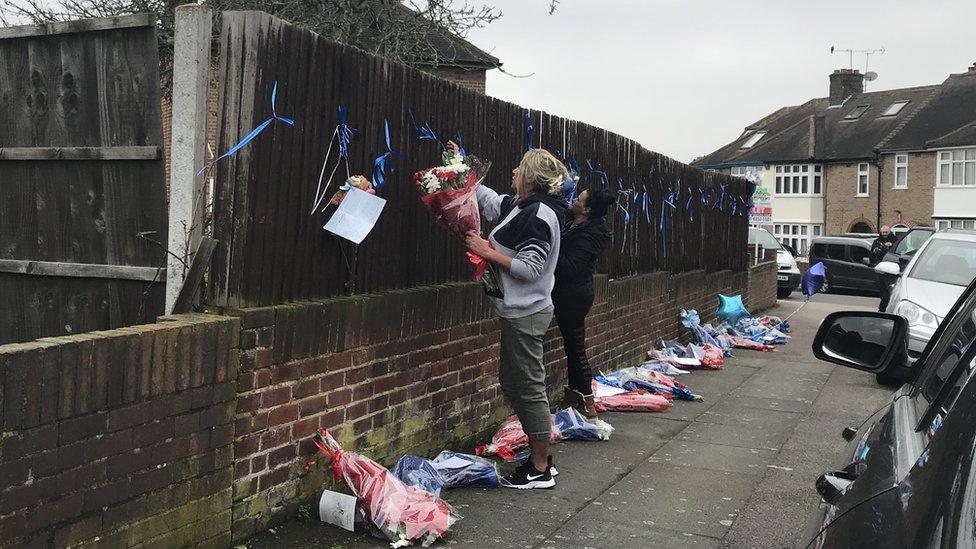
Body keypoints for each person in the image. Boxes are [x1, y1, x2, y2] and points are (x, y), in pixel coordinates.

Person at [463, 147, 569, 490]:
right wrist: (462, 169)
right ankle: (538, 457)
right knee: (512, 384)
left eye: (519, 169)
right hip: (517, 311)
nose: (513, 172)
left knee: (529, 388)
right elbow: (491, 201)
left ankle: (539, 467)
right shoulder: (523, 206)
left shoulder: (539, 215)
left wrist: (485, 251)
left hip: (527, 313)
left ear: (531, 179)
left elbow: (530, 268)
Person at [552, 186, 615, 418]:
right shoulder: (578, 224)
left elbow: (571, 267)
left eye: (578, 199)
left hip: (574, 296)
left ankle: (586, 403)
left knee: (576, 347)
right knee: (572, 346)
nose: (573, 200)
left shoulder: (587, 235)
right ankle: (576, 400)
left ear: (586, 209)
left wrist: (550, 251)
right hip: (572, 293)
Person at [871, 226, 899, 311]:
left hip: (893, 268)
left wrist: (891, 246)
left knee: (890, 291)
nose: (885, 234)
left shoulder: (896, 240)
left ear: (890, 232)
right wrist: (878, 249)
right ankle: (882, 308)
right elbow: (872, 253)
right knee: (882, 290)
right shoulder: (877, 241)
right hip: (881, 269)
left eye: (886, 232)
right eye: (883, 233)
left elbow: (901, 250)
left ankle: (885, 308)